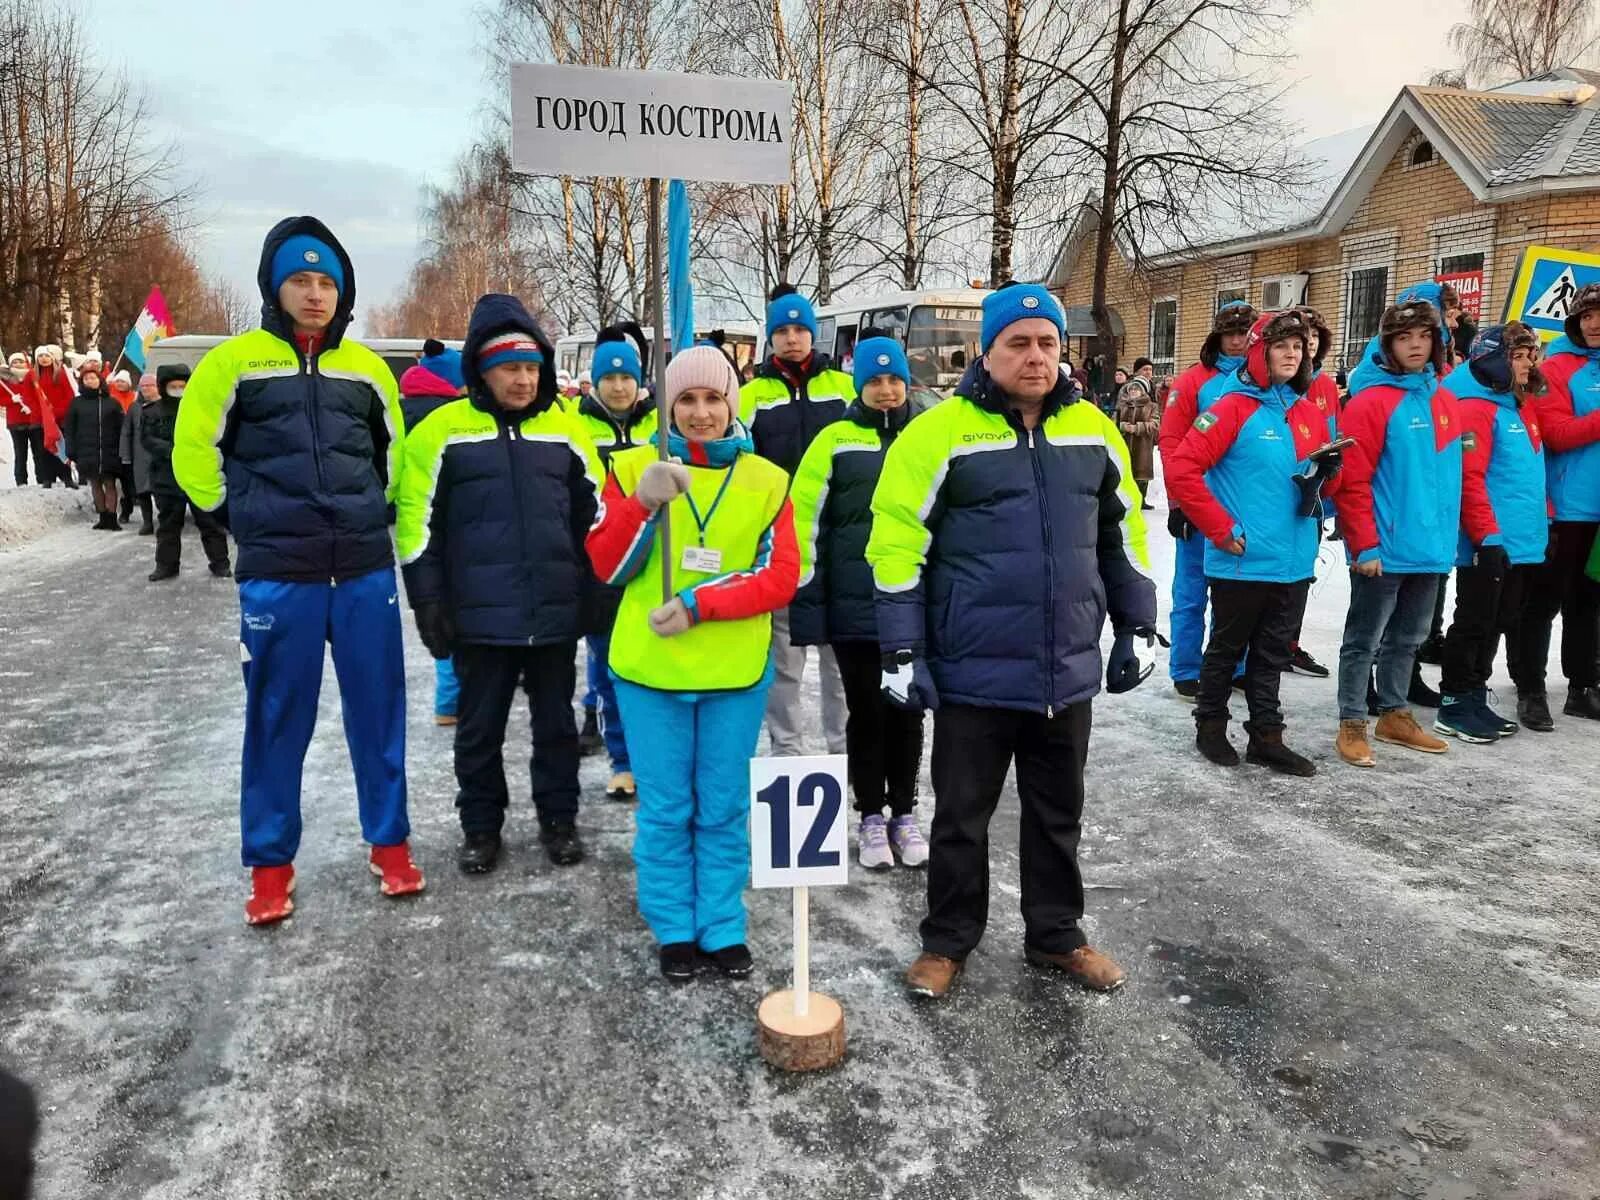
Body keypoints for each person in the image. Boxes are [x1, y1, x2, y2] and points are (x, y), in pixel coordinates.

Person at [867, 282, 1157, 1000]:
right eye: (1018, 344)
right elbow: (896, 546)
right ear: (987, 352)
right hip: (974, 671)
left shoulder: (1092, 429)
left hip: (1065, 670)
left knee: (1059, 813)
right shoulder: (938, 435)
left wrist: (1139, 624)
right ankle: (948, 941)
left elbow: (1125, 535)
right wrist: (902, 649)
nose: (1035, 357)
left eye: (1047, 343)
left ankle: (1056, 935)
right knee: (962, 817)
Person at [173, 215, 421, 925]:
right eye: (299, 281)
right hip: (280, 576)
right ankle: (271, 863)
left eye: (326, 283)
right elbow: (193, 450)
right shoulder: (235, 363)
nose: (314, 295)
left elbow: (393, 456)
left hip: (364, 572)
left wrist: (378, 514)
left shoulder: (367, 368)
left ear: (342, 293)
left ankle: (390, 843)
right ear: (274, 287)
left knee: (379, 712)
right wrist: (238, 515)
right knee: (277, 718)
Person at [586, 345, 799, 983]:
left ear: (732, 403)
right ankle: (674, 926)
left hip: (732, 674)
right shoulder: (630, 467)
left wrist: (699, 603)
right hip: (651, 674)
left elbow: (779, 577)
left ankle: (722, 923)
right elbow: (608, 568)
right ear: (669, 406)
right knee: (666, 807)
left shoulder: (767, 480)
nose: (701, 413)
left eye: (713, 398)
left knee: (723, 806)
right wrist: (641, 506)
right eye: (687, 400)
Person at [397, 296, 601, 876]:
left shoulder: (565, 430)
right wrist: (428, 599)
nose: (523, 378)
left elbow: (597, 517)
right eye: (511, 367)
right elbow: (416, 523)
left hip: (554, 613)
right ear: (482, 371)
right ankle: (481, 827)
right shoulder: (441, 432)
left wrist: (597, 589)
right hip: (478, 618)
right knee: (479, 731)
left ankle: (559, 820)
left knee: (557, 728)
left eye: (532, 366)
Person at [1165, 310, 1336, 776]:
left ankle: (1266, 736)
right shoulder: (1229, 407)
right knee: (1225, 648)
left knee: (1271, 654)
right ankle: (1211, 726)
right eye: (1282, 346)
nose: (1292, 354)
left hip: (1294, 557)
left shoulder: (1307, 413)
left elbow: (1320, 479)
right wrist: (1220, 529)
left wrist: (1323, 482)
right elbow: (1183, 469)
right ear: (1260, 352)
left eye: (1299, 347)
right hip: (1243, 557)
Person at [790, 335, 929, 871]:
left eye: (894, 379)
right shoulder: (834, 441)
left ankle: (905, 812)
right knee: (867, 712)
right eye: (875, 381)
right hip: (854, 609)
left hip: (912, 606)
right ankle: (870, 813)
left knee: (910, 710)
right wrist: (810, 602)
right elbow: (805, 522)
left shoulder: (922, 438)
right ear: (858, 385)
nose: (887, 390)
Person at [1333, 296, 1462, 767]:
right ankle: (1352, 721)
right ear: (1387, 344)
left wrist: (1455, 539)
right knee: (1364, 639)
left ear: (1437, 343)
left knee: (1409, 638)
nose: (1415, 346)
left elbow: (1453, 481)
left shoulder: (1446, 401)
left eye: (1424, 337)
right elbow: (1351, 481)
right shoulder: (1370, 403)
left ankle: (1394, 713)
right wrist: (1363, 543)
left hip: (1430, 547)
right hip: (1383, 549)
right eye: (1404, 337)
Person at [739, 283, 856, 756]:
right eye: (782, 331)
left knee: (839, 662)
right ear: (770, 338)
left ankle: (844, 751)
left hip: (837, 546)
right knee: (784, 662)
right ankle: (787, 751)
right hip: (781, 546)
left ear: (813, 335)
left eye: (799, 329)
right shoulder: (751, 396)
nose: (791, 339)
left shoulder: (845, 390)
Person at [1434, 322, 1546, 743]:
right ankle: (1456, 701)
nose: (1526, 364)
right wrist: (1487, 536)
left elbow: (1528, 474)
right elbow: (1471, 479)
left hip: (1521, 541)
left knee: (1500, 620)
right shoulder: (1475, 408)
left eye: (1529, 356)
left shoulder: (1516, 405)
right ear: (1494, 359)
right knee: (1475, 621)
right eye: (1517, 356)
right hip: (1490, 541)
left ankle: (1475, 695)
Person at [572, 322, 659, 802]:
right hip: (599, 568)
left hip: (651, 566)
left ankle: (651, 758)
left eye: (627, 377)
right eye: (610, 378)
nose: (620, 386)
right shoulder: (577, 427)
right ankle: (622, 761)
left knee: (651, 669)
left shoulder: (658, 425)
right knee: (607, 669)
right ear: (595, 382)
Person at [1160, 300, 1258, 698]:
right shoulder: (1194, 381)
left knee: (1238, 596)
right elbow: (1171, 442)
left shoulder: (1262, 382)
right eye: (1230, 333)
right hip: (1200, 505)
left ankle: (1236, 665)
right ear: (1217, 335)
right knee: (1191, 591)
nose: (1237, 341)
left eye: (1244, 332)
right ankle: (1186, 666)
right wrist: (1178, 503)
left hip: (1244, 508)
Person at [1514, 283, 1600, 726]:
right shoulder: (1559, 369)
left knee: (1590, 603)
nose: (1595, 324)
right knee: (1543, 602)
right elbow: (1558, 434)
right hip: (1567, 508)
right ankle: (1530, 689)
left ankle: (1583, 687)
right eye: (1587, 316)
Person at [397, 338, 467, 728]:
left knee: (440, 611)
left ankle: (447, 702)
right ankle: (454, 700)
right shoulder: (451, 416)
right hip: (454, 522)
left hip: (418, 523)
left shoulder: (402, 408)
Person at [1282, 305, 1340, 679]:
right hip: (1282, 491)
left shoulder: (1326, 385)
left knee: (1303, 573)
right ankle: (1271, 645)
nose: (1311, 345)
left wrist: (1330, 495)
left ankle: (1290, 642)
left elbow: (1333, 437)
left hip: (1316, 493)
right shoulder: (1282, 381)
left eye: (1316, 339)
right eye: (1305, 339)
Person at [144, 365, 231, 580]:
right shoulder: (152, 412)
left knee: (210, 522)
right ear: (163, 387)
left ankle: (220, 563)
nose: (177, 389)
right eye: (173, 386)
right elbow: (148, 439)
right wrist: (176, 451)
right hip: (166, 476)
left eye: (182, 386)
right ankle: (166, 565)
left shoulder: (200, 409)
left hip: (197, 476)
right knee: (168, 525)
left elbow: (215, 435)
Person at [63, 359, 125, 529]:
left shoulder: (112, 403)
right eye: (86, 379)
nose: (90, 381)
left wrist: (122, 450)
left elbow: (122, 427)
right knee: (95, 484)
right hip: (86, 451)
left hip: (109, 451)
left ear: (100, 381)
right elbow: (70, 428)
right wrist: (71, 450)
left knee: (110, 484)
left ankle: (112, 517)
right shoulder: (77, 403)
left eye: (93, 378)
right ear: (82, 382)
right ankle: (102, 516)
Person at [28, 346, 76, 488]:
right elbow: (28, 397)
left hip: (59, 418)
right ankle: (47, 478)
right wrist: (42, 413)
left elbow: (69, 396)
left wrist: (56, 412)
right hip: (40, 420)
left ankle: (66, 477)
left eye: (47, 356)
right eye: (41, 356)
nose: (44, 359)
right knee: (44, 450)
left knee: (62, 448)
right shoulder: (31, 375)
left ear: (52, 358)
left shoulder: (60, 374)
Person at [1115, 357, 1159, 509]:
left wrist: (1137, 428)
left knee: (1142, 475)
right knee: (1126, 472)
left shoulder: (1151, 405)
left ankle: (1141, 500)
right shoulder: (1123, 404)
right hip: (1125, 442)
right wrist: (1122, 426)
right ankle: (1125, 499)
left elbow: (1155, 423)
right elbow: (1113, 421)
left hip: (1143, 445)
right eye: (1132, 389)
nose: (1134, 391)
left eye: (1137, 389)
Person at [2, 351, 50, 487]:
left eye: (20, 361)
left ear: (26, 362)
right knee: (20, 453)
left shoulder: (34, 376)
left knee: (39, 451)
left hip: (34, 420)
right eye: (14, 362)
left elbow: (39, 395)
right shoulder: (5, 378)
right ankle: (21, 481)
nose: (17, 364)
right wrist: (11, 399)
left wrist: (32, 407)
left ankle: (42, 479)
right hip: (15, 422)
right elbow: (1, 399)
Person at [119, 372, 159, 535]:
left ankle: (164, 522)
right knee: (143, 491)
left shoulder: (165, 406)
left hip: (160, 457)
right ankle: (147, 523)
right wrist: (126, 455)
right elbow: (126, 432)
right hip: (140, 456)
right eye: (143, 386)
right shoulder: (135, 408)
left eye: (150, 385)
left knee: (161, 491)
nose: (146, 389)